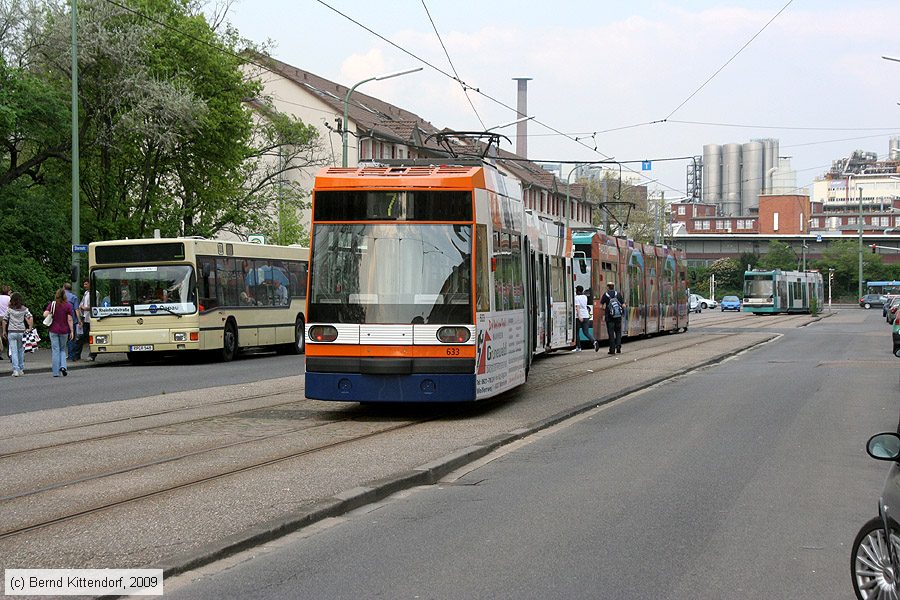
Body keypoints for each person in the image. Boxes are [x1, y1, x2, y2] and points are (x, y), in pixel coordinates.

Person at [44, 288, 74, 377]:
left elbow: (45, 314)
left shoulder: (52, 304)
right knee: (62, 349)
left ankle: (56, 372)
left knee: (55, 350)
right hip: (64, 330)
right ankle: (63, 366)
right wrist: (72, 331)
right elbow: (69, 319)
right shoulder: (68, 305)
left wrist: (50, 312)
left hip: (53, 330)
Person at [2, 292, 32, 376]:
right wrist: (29, 327)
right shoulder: (24, 309)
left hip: (12, 332)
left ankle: (15, 370)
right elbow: (30, 317)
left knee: (14, 351)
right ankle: (21, 369)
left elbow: (5, 320)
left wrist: (4, 331)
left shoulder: (9, 309)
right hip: (21, 332)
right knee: (21, 351)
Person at [599, 280, 626, 355]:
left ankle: (612, 349)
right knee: (618, 332)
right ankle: (618, 347)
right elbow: (623, 305)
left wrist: (606, 309)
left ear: (607, 287)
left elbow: (601, 306)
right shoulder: (618, 294)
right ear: (613, 287)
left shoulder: (605, 295)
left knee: (611, 333)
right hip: (618, 317)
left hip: (609, 317)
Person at [76, 280, 96, 361]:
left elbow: (94, 305)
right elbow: (82, 303)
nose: (84, 285)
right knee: (81, 336)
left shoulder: (95, 293)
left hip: (90, 318)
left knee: (90, 338)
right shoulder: (86, 293)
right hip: (85, 318)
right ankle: (77, 355)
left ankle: (92, 355)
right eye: (84, 284)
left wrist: (85, 308)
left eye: (86, 284)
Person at [572, 285, 594, 352]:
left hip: (579, 316)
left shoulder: (576, 298)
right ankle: (594, 341)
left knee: (577, 332)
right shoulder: (585, 297)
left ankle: (578, 347)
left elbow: (578, 308)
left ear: (578, 291)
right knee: (586, 332)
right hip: (586, 315)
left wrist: (579, 316)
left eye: (576, 290)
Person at [63, 282, 80, 362]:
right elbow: (77, 309)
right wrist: (79, 320)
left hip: (62, 320)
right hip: (72, 320)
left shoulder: (61, 297)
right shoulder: (74, 297)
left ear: (64, 288)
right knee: (72, 338)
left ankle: (63, 355)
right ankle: (72, 355)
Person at [0, 285, 10, 360]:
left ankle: (0, 351)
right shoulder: (9, 298)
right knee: (9, 334)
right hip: (7, 317)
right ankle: (10, 353)